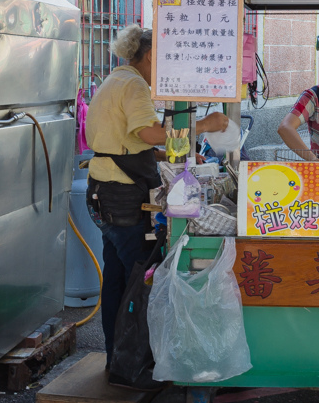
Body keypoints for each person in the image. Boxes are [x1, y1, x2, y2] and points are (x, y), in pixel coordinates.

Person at [84, 25, 228, 388]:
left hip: (102, 191)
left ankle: (117, 360)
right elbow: (148, 132)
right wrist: (204, 125)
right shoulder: (134, 85)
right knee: (139, 280)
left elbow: (130, 141)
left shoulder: (115, 80)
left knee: (118, 278)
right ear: (151, 55)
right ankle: (133, 368)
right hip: (122, 196)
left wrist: (172, 151)